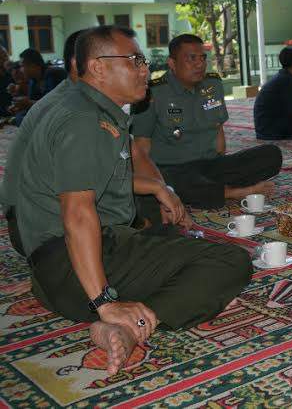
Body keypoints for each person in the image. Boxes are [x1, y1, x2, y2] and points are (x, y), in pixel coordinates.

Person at [9, 26, 252, 375]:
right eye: (135, 61)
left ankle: (93, 299)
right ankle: (123, 324)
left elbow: (103, 178)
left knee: (167, 237)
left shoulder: (87, 107)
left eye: (144, 61)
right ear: (98, 68)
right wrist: (105, 303)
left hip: (55, 273)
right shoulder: (84, 120)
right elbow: (78, 214)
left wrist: (157, 188)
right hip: (76, 264)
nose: (144, 70)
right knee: (230, 260)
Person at [2, 29, 191, 256]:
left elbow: (135, 155)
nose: (143, 70)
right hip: (37, 224)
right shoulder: (75, 113)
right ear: (85, 65)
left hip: (55, 208)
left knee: (159, 202)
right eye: (133, 61)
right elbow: (79, 193)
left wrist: (165, 192)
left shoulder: (94, 102)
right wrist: (156, 191)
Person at [132, 34, 282, 209]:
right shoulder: (152, 93)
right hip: (173, 169)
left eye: (202, 58)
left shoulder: (213, 85)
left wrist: (225, 166)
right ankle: (234, 192)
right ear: (172, 63)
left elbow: (218, 133)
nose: (199, 64)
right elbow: (141, 149)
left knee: (271, 154)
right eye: (191, 59)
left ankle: (213, 188)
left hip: (209, 166)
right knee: (175, 180)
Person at [8, 48, 67, 125]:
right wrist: (20, 106)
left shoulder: (53, 74)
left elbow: (54, 105)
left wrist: (28, 103)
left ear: (33, 65)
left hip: (63, 117)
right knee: (20, 117)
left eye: (22, 66)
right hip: (45, 118)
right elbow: (33, 107)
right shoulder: (33, 80)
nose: (21, 70)